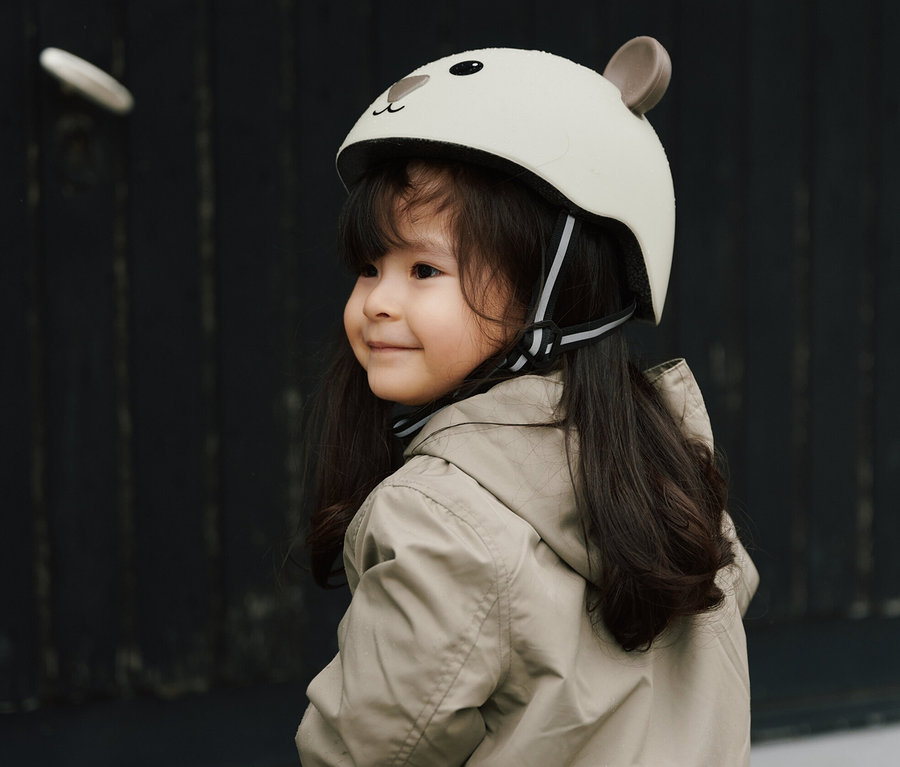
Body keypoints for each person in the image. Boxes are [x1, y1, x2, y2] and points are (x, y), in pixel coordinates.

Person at [296, 37, 759, 766]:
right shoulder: (671, 469)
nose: (378, 301)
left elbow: (364, 749)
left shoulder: (440, 519)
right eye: (367, 266)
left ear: (556, 285)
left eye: (423, 268)